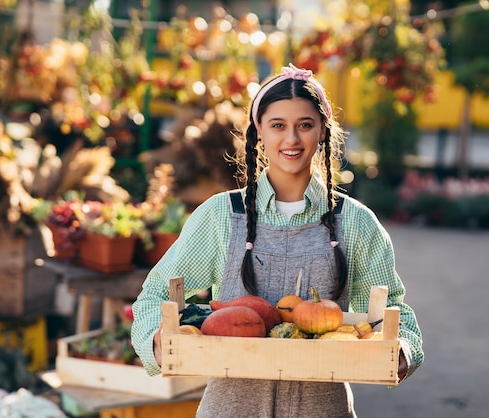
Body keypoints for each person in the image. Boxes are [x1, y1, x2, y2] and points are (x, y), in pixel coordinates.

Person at [131, 64, 423, 417]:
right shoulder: (222, 215)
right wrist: (156, 342)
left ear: (322, 132)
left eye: (305, 125)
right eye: (278, 126)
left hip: (322, 409)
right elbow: (153, 297)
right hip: (230, 408)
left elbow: (394, 311)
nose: (292, 140)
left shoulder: (357, 223)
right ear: (259, 133)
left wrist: (403, 350)